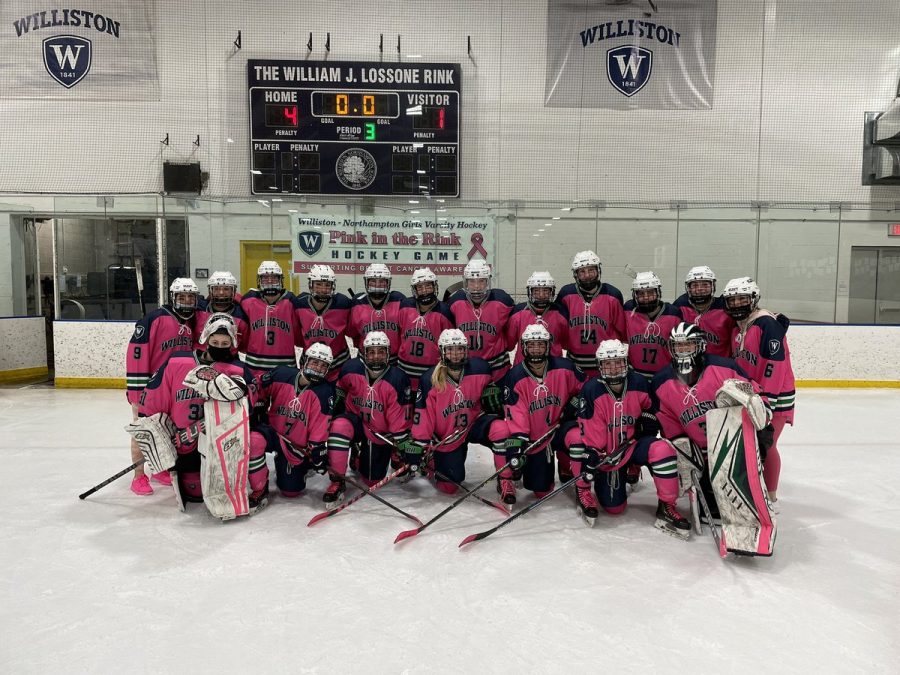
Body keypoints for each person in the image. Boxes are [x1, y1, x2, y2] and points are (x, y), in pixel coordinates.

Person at [138, 313, 269, 512]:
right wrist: (157, 428)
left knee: (251, 446)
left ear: (233, 342)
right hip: (185, 442)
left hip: (222, 442)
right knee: (195, 493)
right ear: (205, 339)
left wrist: (240, 393)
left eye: (225, 342)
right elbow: (155, 397)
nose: (219, 345)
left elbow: (249, 405)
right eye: (214, 341)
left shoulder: (239, 370)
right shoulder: (177, 362)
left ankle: (258, 487)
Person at [650, 322, 771, 520]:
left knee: (764, 430)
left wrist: (761, 408)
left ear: (700, 345)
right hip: (702, 453)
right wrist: (684, 452)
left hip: (733, 446)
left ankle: (751, 479)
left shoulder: (725, 367)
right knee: (713, 509)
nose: (682, 350)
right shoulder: (661, 381)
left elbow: (756, 397)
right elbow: (670, 425)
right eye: (678, 346)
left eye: (687, 344)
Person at [569, 340, 689, 537]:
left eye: (618, 362)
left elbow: (652, 408)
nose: (614, 368)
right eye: (608, 363)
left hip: (632, 445)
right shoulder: (591, 389)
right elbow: (591, 429)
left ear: (626, 361)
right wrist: (595, 453)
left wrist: (649, 421)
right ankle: (583, 490)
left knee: (662, 449)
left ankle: (667, 506)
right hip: (609, 453)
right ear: (600, 366)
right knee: (614, 509)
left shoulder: (639, 382)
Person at [407, 329, 509, 495]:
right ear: (442, 351)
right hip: (448, 435)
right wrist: (419, 446)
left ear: (466, 350)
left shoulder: (480, 368)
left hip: (474, 423)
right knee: (449, 487)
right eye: (450, 349)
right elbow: (424, 416)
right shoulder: (429, 380)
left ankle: (506, 479)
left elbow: (490, 391)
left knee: (500, 429)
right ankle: (433, 461)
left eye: (460, 349)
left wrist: (492, 392)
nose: (455, 354)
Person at [722, 277, 795, 506]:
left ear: (753, 298)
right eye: (732, 300)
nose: (737, 304)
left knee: (768, 443)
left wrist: (767, 401)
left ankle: (770, 495)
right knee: (752, 444)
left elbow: (775, 366)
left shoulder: (766, 324)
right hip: (751, 394)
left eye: (742, 298)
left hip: (773, 397)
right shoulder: (739, 327)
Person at [125, 277, 200, 495]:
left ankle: (159, 468)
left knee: (167, 430)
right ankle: (139, 477)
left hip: (175, 389)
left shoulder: (191, 320)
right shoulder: (154, 319)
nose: (186, 301)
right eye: (182, 297)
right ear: (173, 298)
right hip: (151, 388)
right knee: (143, 430)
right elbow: (137, 353)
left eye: (190, 297)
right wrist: (137, 390)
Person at [498, 324, 584, 505]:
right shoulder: (515, 376)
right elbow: (517, 414)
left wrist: (576, 403)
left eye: (540, 344)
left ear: (548, 346)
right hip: (535, 435)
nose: (536, 349)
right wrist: (519, 443)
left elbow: (588, 390)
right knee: (541, 491)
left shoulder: (565, 367)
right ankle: (519, 473)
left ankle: (583, 487)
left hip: (561, 427)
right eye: (531, 345)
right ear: (524, 347)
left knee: (579, 438)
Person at [327, 332, 413, 488]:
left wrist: (405, 447)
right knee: (338, 426)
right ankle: (337, 481)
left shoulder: (398, 378)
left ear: (388, 353)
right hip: (356, 422)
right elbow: (340, 390)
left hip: (379, 431)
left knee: (372, 481)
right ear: (364, 353)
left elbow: (398, 420)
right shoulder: (351, 368)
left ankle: (369, 455)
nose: (376, 356)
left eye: (381, 352)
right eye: (371, 352)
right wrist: (336, 411)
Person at [255, 343, 337, 503]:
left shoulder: (325, 392)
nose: (318, 368)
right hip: (272, 432)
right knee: (254, 441)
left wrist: (317, 450)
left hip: (295, 445)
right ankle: (259, 489)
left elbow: (320, 426)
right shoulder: (282, 373)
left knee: (291, 491)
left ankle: (303, 465)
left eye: (323, 365)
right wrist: (259, 404)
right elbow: (257, 386)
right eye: (314, 362)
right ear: (304, 360)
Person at [555, 250, 625, 377]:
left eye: (591, 270)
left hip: (607, 363)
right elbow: (560, 327)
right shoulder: (566, 294)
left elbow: (621, 330)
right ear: (575, 274)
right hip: (574, 362)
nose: (587, 275)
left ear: (598, 270)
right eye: (582, 271)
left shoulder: (613, 295)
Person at [447, 259, 514, 386]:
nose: (477, 286)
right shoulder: (455, 302)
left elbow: (512, 330)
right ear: (465, 282)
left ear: (488, 281)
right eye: (472, 281)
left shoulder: (502, 301)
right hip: (467, 368)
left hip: (498, 371)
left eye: (481, 281)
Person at [239, 261, 303, 377]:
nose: (269, 281)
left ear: (281, 280)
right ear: (259, 280)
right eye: (265, 278)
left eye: (274, 278)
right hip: (254, 366)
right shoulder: (248, 300)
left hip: (285, 366)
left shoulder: (291, 301)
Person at [398, 267, 454, 393]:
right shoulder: (404, 307)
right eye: (420, 287)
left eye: (428, 286)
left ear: (435, 287)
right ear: (414, 290)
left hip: (432, 374)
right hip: (404, 372)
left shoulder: (445, 312)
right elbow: (398, 336)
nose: (424, 291)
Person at [295, 264, 352, 380]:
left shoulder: (343, 304)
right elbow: (297, 335)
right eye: (318, 284)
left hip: (339, 364)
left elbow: (353, 329)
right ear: (311, 285)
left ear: (333, 286)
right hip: (310, 363)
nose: (323, 289)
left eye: (327, 285)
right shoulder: (300, 304)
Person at [622, 272, 683, 380]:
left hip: (665, 377)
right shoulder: (628, 310)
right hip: (634, 376)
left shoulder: (673, 313)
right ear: (634, 295)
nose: (646, 297)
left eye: (650, 292)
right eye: (641, 294)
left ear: (658, 292)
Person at [505, 271, 569, 366]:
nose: (541, 295)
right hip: (523, 369)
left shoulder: (561, 313)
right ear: (529, 292)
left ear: (552, 292)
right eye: (536, 291)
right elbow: (509, 345)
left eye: (545, 291)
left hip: (554, 368)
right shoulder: (517, 313)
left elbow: (566, 344)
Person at [347, 263, 404, 363]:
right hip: (365, 360)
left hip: (394, 361)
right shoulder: (357, 303)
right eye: (373, 281)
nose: (377, 285)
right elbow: (353, 333)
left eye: (382, 281)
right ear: (366, 282)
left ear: (388, 282)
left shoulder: (399, 301)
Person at [672, 266, 734, 357]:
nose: (700, 289)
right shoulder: (680, 305)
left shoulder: (725, 307)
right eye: (695, 285)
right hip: (688, 363)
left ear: (713, 286)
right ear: (688, 288)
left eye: (705, 284)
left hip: (719, 366)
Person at [195, 271, 249, 353]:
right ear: (210, 290)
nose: (221, 292)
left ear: (233, 291)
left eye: (226, 289)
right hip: (201, 361)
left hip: (229, 362)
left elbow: (244, 347)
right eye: (216, 288)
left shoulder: (242, 315)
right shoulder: (198, 310)